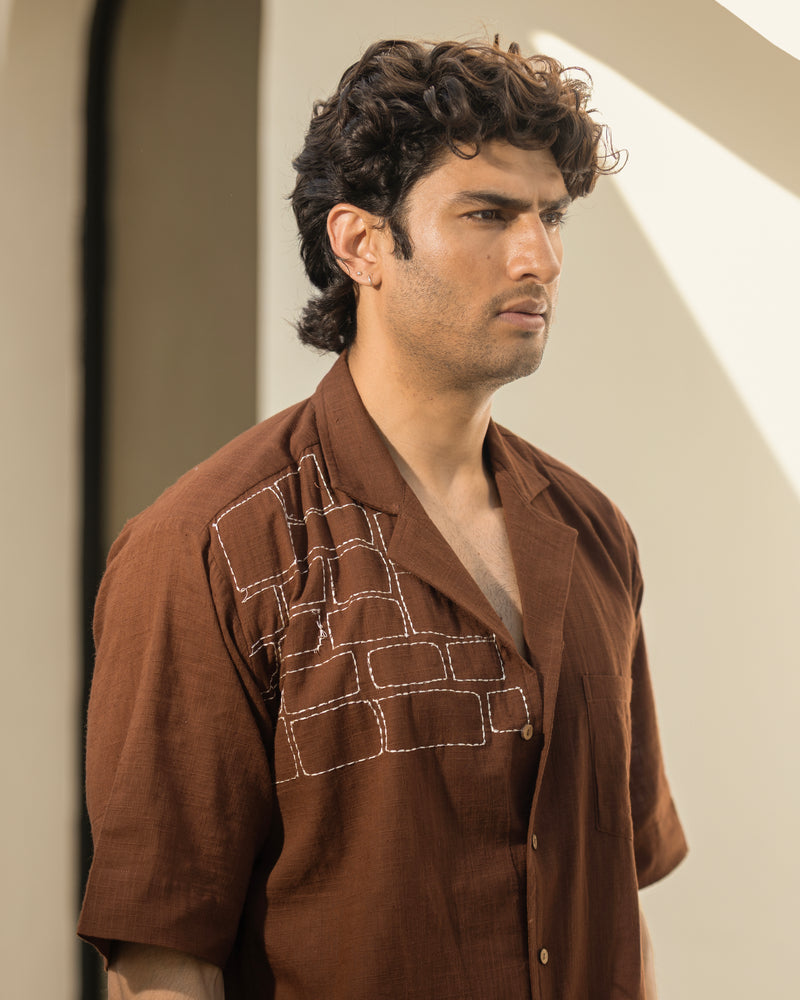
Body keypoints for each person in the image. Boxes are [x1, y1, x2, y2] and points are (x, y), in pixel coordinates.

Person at [78, 37, 688, 1000]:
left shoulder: (591, 532)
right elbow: (164, 955)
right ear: (359, 243)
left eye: (550, 216)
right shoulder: (211, 548)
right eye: (488, 214)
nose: (540, 256)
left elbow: (618, 901)